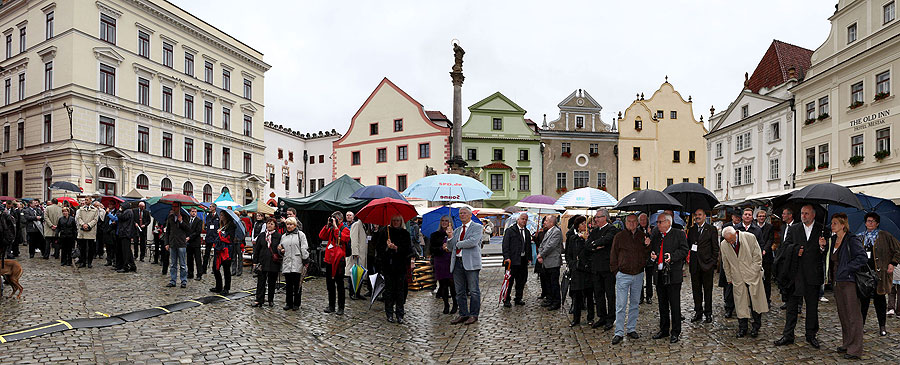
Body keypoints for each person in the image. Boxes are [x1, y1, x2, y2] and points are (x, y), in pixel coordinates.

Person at [775, 204, 826, 349]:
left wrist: (823, 246)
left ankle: (811, 335)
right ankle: (788, 335)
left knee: (812, 307)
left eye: (807, 213)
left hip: (812, 275)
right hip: (795, 274)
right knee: (791, 307)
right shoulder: (794, 228)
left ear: (813, 215)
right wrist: (796, 250)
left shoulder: (821, 229)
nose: (803, 216)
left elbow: (827, 251)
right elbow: (785, 247)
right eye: (802, 213)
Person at [825, 213, 867, 360]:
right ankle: (847, 343)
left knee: (853, 315)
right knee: (843, 314)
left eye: (835, 223)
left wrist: (847, 268)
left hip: (849, 281)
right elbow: (828, 258)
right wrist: (823, 246)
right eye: (832, 223)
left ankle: (855, 349)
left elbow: (862, 257)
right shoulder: (832, 239)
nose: (832, 225)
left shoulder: (851, 240)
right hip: (837, 282)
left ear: (843, 225)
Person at [720, 226, 769, 338]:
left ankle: (756, 327)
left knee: (756, 302)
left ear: (736, 234)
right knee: (740, 304)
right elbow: (725, 262)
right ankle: (743, 328)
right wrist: (729, 278)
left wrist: (754, 271)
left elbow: (757, 256)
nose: (731, 242)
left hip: (752, 276)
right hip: (737, 278)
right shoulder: (724, 244)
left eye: (732, 240)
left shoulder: (749, 237)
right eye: (728, 241)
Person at [610, 214, 651, 344]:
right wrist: (616, 272)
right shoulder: (619, 236)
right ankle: (619, 332)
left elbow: (646, 255)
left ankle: (631, 328)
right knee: (621, 305)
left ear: (637, 223)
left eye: (634, 221)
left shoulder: (642, 236)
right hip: (623, 274)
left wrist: (647, 245)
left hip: (638, 275)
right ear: (625, 222)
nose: (632, 224)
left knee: (634, 304)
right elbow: (613, 255)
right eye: (629, 221)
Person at [858, 212, 900, 337]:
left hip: (880, 275)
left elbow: (898, 250)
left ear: (877, 223)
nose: (870, 223)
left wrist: (892, 263)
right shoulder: (860, 237)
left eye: (872, 221)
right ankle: (860, 326)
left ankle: (882, 326)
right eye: (868, 221)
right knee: (863, 302)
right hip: (864, 275)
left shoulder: (885, 236)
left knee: (880, 301)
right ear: (865, 223)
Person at [648, 213, 688, 343]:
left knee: (674, 304)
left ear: (668, 222)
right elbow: (653, 249)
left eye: (660, 222)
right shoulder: (656, 235)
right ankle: (664, 329)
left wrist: (672, 256)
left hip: (673, 275)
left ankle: (675, 331)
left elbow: (684, 250)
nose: (657, 225)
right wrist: (653, 255)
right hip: (659, 274)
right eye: (657, 222)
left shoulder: (678, 234)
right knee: (662, 304)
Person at [376, 215, 415, 323]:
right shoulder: (385, 232)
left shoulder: (405, 233)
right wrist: (387, 248)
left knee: (400, 290)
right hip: (388, 266)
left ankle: (400, 313)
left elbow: (408, 250)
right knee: (389, 290)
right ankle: (389, 313)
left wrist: (397, 248)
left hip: (401, 266)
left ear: (401, 221)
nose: (396, 222)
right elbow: (378, 249)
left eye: (397, 220)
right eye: (393, 220)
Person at [449, 206, 484, 325]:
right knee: (459, 291)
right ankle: (463, 313)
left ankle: (474, 314)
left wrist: (457, 243)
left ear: (470, 215)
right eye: (460, 213)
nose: (461, 215)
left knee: (474, 290)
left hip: (471, 263)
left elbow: (472, 242)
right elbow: (450, 247)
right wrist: (449, 237)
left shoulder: (477, 227)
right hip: (457, 262)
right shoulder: (457, 230)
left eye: (464, 213)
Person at [588, 209, 619, 329]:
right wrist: (595, 245)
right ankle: (602, 316)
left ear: (605, 218)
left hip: (608, 268)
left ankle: (611, 318)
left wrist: (594, 244)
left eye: (598, 217)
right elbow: (587, 245)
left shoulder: (612, 229)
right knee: (598, 293)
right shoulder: (595, 231)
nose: (596, 219)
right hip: (596, 267)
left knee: (610, 294)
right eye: (595, 217)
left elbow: (606, 240)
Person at [688, 208, 719, 323]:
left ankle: (708, 313)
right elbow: (688, 246)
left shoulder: (711, 229)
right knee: (696, 290)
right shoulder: (691, 230)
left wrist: (712, 263)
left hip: (707, 265)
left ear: (705, 216)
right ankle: (698, 312)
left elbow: (715, 248)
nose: (697, 217)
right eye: (696, 215)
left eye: (700, 214)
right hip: (695, 265)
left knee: (707, 290)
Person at [319, 211, 350, 315]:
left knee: (340, 284)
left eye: (335, 219)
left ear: (340, 220)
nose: (333, 221)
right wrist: (327, 226)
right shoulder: (331, 228)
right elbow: (322, 236)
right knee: (330, 284)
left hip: (339, 260)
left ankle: (341, 307)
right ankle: (331, 305)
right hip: (329, 259)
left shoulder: (344, 229)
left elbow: (343, 239)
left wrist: (336, 227)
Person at [566, 216, 594, 327]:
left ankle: (590, 317)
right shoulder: (573, 238)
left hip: (586, 270)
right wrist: (572, 264)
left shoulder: (589, 238)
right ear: (577, 226)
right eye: (582, 224)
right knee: (577, 296)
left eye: (585, 224)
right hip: (576, 271)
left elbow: (590, 252)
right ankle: (576, 319)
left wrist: (586, 240)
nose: (584, 226)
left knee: (589, 296)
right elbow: (569, 254)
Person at [501, 212, 532, 308]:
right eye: (522, 219)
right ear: (518, 219)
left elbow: (528, 246)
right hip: (512, 260)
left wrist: (529, 258)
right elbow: (505, 245)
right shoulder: (510, 231)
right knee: (509, 281)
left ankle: (518, 298)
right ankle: (506, 299)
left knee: (521, 281)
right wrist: (506, 257)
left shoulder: (527, 232)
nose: (524, 221)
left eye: (526, 219)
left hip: (523, 260)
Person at [280, 217, 308, 310]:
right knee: (288, 285)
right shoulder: (284, 236)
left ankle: (296, 303)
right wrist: (281, 251)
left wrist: (305, 258)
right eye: (287, 224)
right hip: (287, 262)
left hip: (297, 262)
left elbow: (304, 247)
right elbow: (280, 247)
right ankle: (289, 303)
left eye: (291, 224)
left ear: (295, 225)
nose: (289, 226)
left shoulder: (300, 235)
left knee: (297, 285)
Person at [252, 218, 281, 307]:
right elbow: (257, 249)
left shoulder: (278, 236)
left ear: (275, 226)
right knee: (261, 282)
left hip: (273, 263)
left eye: (272, 224)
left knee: (272, 282)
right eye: (268, 223)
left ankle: (270, 300)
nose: (269, 225)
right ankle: (259, 300)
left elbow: (280, 249)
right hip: (262, 262)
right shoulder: (262, 235)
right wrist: (255, 262)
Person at [430, 215, 457, 314]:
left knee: (453, 284)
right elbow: (431, 249)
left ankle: (455, 303)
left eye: (446, 221)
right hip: (440, 261)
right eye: (443, 221)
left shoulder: (455, 234)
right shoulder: (435, 235)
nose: (444, 223)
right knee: (443, 284)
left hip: (451, 260)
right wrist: (441, 248)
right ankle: (446, 304)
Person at [537, 215, 562, 311]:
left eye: (546, 221)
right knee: (548, 282)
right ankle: (550, 298)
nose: (545, 222)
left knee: (554, 283)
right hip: (546, 261)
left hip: (553, 261)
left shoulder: (556, 232)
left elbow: (550, 246)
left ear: (551, 222)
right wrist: (540, 253)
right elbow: (543, 244)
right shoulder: (548, 231)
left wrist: (541, 255)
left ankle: (556, 301)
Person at [774, 207, 797, 309]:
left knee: (793, 280)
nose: (782, 216)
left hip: (791, 256)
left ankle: (798, 304)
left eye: (784, 214)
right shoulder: (783, 227)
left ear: (790, 215)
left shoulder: (796, 227)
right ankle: (786, 300)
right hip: (782, 256)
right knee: (783, 278)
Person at [165, 202, 191, 288]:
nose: (173, 208)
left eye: (175, 207)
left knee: (182, 264)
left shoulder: (185, 216)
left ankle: (183, 281)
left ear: (179, 207)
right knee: (173, 264)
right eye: (173, 207)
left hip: (181, 243)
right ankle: (173, 280)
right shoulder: (170, 217)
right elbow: (168, 231)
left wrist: (181, 221)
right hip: (173, 243)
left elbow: (188, 229)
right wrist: (167, 243)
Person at [211, 210, 235, 295]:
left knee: (226, 269)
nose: (220, 216)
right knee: (215, 268)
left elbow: (228, 239)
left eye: (222, 215)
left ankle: (226, 288)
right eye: (220, 215)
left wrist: (220, 233)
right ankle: (218, 286)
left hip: (226, 251)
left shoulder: (231, 226)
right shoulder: (222, 225)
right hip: (219, 250)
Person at [755, 209, 775, 305]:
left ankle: (767, 299)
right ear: (757, 217)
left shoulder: (769, 227)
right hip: (755, 256)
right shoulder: (754, 227)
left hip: (766, 256)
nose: (762, 218)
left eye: (763, 216)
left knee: (767, 280)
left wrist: (765, 250)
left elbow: (770, 240)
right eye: (760, 216)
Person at [348, 216, 370, 298]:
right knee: (354, 273)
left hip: (362, 254)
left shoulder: (365, 226)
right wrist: (355, 252)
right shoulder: (356, 225)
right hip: (357, 255)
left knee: (360, 274)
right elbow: (353, 239)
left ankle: (357, 292)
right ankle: (353, 293)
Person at [75, 199, 99, 268]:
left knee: (90, 248)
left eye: (87, 200)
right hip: (82, 231)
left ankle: (89, 262)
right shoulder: (81, 209)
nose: (86, 201)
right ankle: (83, 262)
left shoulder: (95, 210)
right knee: (82, 248)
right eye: (85, 200)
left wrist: (88, 225)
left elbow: (95, 219)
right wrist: (83, 224)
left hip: (90, 231)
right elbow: (78, 218)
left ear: (90, 201)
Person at [115, 203, 137, 273]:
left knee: (125, 252)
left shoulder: (128, 211)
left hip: (125, 233)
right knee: (127, 251)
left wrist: (118, 211)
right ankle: (132, 266)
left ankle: (125, 267)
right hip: (124, 233)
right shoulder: (128, 211)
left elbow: (121, 217)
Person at [638, 213, 654, 305]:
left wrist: (650, 234)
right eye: (641, 220)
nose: (643, 221)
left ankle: (649, 296)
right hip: (640, 258)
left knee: (649, 279)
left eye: (644, 220)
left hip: (649, 258)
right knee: (640, 279)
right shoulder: (637, 230)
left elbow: (654, 241)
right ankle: (640, 297)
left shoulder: (652, 229)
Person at [202, 203, 220, 277]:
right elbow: (206, 225)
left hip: (215, 237)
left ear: (214, 208)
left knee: (216, 254)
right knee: (206, 254)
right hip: (209, 237)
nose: (209, 208)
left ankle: (214, 269)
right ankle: (204, 269)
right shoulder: (208, 216)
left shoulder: (218, 216)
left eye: (210, 206)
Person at [186, 208, 204, 280]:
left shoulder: (199, 220)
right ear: (190, 212)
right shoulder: (187, 220)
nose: (194, 213)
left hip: (196, 243)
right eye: (192, 211)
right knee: (189, 259)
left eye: (195, 212)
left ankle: (199, 274)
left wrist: (190, 237)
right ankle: (190, 273)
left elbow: (198, 231)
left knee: (198, 259)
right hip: (189, 243)